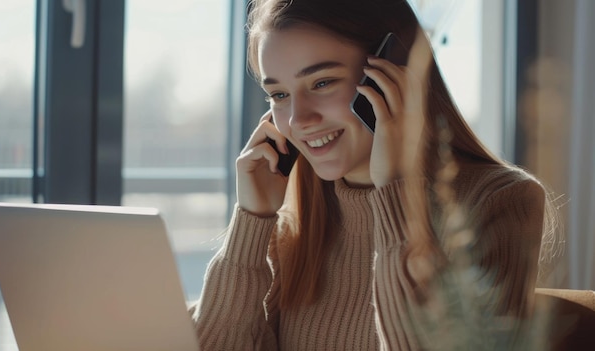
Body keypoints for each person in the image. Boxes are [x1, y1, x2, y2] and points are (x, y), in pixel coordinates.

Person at [189, 0, 558, 349]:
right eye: (280, 95)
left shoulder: (500, 200)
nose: (298, 121)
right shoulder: (296, 223)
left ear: (395, 73)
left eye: (321, 83)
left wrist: (396, 187)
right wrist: (251, 223)